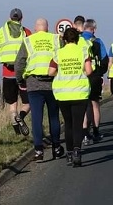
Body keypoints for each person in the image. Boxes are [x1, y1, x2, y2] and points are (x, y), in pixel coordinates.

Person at [15, 18, 64, 162]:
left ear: (35, 29)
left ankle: (38, 151)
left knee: (36, 118)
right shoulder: (56, 39)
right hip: (53, 83)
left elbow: (19, 63)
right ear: (47, 28)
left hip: (33, 83)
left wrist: (20, 80)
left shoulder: (28, 40)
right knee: (54, 116)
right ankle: (56, 147)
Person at [49, 27, 92, 167]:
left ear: (64, 39)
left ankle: (68, 153)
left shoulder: (58, 53)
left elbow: (50, 72)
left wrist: (61, 75)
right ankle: (77, 152)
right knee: (78, 124)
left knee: (68, 124)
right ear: (77, 39)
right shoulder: (83, 51)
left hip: (63, 94)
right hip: (80, 92)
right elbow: (89, 71)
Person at [0, 8, 31, 136]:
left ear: (9, 18)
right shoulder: (26, 32)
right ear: (21, 18)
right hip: (22, 73)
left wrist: (0, 55)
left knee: (12, 104)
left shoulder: (2, 32)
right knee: (27, 102)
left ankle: (16, 130)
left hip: (7, 73)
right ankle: (21, 116)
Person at [81, 19, 109, 145]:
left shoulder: (77, 41)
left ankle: (84, 133)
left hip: (80, 77)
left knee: (83, 105)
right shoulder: (97, 41)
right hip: (94, 76)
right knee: (94, 104)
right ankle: (96, 131)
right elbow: (104, 60)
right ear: (93, 29)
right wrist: (100, 73)